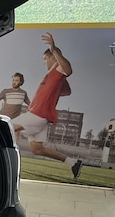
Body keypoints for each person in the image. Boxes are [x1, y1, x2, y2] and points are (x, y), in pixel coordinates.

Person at [11, 32, 83, 178]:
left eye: (45, 59)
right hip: (41, 117)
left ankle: (3, 161)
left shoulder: (57, 68)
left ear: (52, 57)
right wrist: (55, 89)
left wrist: (54, 49)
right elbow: (67, 91)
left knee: (6, 127)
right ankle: (73, 163)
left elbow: (68, 70)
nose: (44, 62)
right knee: (37, 149)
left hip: (37, 115)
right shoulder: (55, 75)